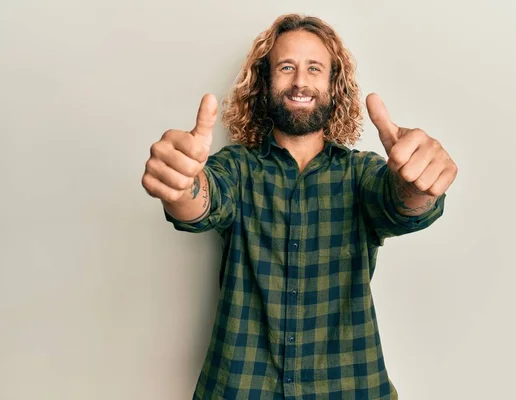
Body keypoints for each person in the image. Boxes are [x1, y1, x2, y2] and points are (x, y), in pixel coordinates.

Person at [142, 13, 457, 400]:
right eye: (286, 67)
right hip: (242, 388)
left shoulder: (360, 174)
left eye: (314, 69)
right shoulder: (238, 167)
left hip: (350, 387)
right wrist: (179, 185)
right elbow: (202, 203)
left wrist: (420, 184)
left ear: (332, 85)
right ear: (265, 82)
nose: (300, 81)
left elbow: (400, 203)